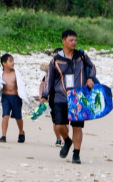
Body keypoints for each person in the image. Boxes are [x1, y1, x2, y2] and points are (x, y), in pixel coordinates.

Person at [40, 29, 96, 164]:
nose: (74, 42)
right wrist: (44, 95)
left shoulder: (81, 56)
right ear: (63, 41)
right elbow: (49, 79)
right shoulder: (56, 60)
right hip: (60, 97)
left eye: (75, 40)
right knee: (59, 125)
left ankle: (76, 155)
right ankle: (67, 141)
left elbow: (92, 67)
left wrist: (90, 78)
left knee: (77, 127)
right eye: (71, 40)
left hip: (78, 97)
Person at [0, 54, 29, 143]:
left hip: (16, 97)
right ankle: (3, 135)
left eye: (13, 61)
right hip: (6, 97)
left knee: (18, 117)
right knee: (5, 115)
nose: (12, 63)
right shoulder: (1, 74)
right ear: (4, 63)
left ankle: (21, 132)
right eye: (10, 61)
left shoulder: (15, 73)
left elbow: (21, 85)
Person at [38, 62, 64, 147]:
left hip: (64, 98)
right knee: (55, 120)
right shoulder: (49, 75)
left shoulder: (66, 72)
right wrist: (41, 96)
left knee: (64, 120)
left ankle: (64, 139)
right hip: (53, 99)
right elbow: (42, 84)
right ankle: (58, 139)